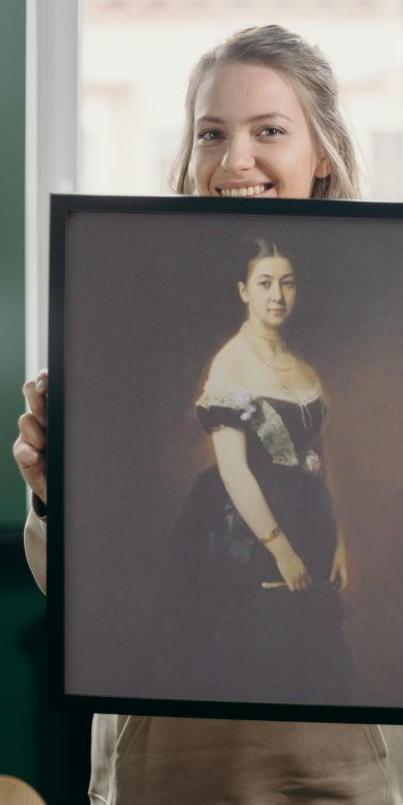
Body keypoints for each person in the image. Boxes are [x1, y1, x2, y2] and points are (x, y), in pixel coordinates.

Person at [14, 24, 403, 805]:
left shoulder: (401, 286)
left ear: (321, 150)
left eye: (268, 130)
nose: (233, 156)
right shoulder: (124, 298)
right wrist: (52, 495)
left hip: (331, 776)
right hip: (174, 774)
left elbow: (327, 481)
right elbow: (80, 584)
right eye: (210, 131)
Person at [149, 234, 350, 707]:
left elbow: (317, 462)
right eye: (264, 283)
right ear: (243, 290)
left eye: (287, 283)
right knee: (261, 658)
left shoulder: (303, 369)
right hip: (250, 535)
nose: (277, 296)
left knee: (313, 664)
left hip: (310, 521)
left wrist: (337, 539)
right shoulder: (231, 365)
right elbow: (234, 471)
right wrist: (281, 551)